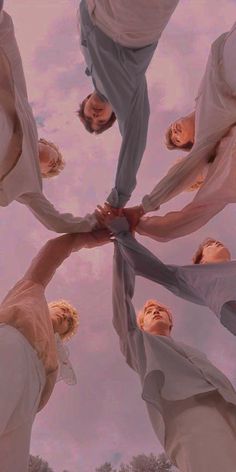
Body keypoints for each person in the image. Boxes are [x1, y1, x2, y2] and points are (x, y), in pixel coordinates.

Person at [112, 228, 236, 471]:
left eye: (161, 311)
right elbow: (121, 300)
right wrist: (120, 244)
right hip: (191, 416)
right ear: (141, 324)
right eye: (149, 312)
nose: (156, 311)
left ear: (171, 321)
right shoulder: (137, 344)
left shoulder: (195, 352)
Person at [0, 227, 110, 472]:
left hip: (29, 398)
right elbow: (50, 253)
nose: (65, 316)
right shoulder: (31, 292)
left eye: (69, 320)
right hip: (9, 346)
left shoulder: (57, 357)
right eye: (62, 310)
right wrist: (85, 238)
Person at [121, 21, 236, 224]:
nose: (174, 132)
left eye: (171, 132)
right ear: (191, 143)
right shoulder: (205, 136)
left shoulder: (200, 99)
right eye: (177, 139)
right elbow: (181, 174)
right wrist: (143, 207)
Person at [0, 7, 98, 233]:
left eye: (50, 168)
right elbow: (15, 76)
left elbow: (56, 221)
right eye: (55, 158)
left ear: (41, 173)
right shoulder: (25, 120)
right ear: (44, 142)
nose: (52, 163)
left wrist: (95, 222)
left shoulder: (30, 185)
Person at [78, 0, 180, 209]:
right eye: (101, 120)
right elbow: (133, 142)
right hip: (133, 24)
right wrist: (119, 199)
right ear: (114, 114)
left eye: (89, 117)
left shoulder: (90, 65)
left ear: (85, 101)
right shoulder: (127, 96)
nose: (95, 116)